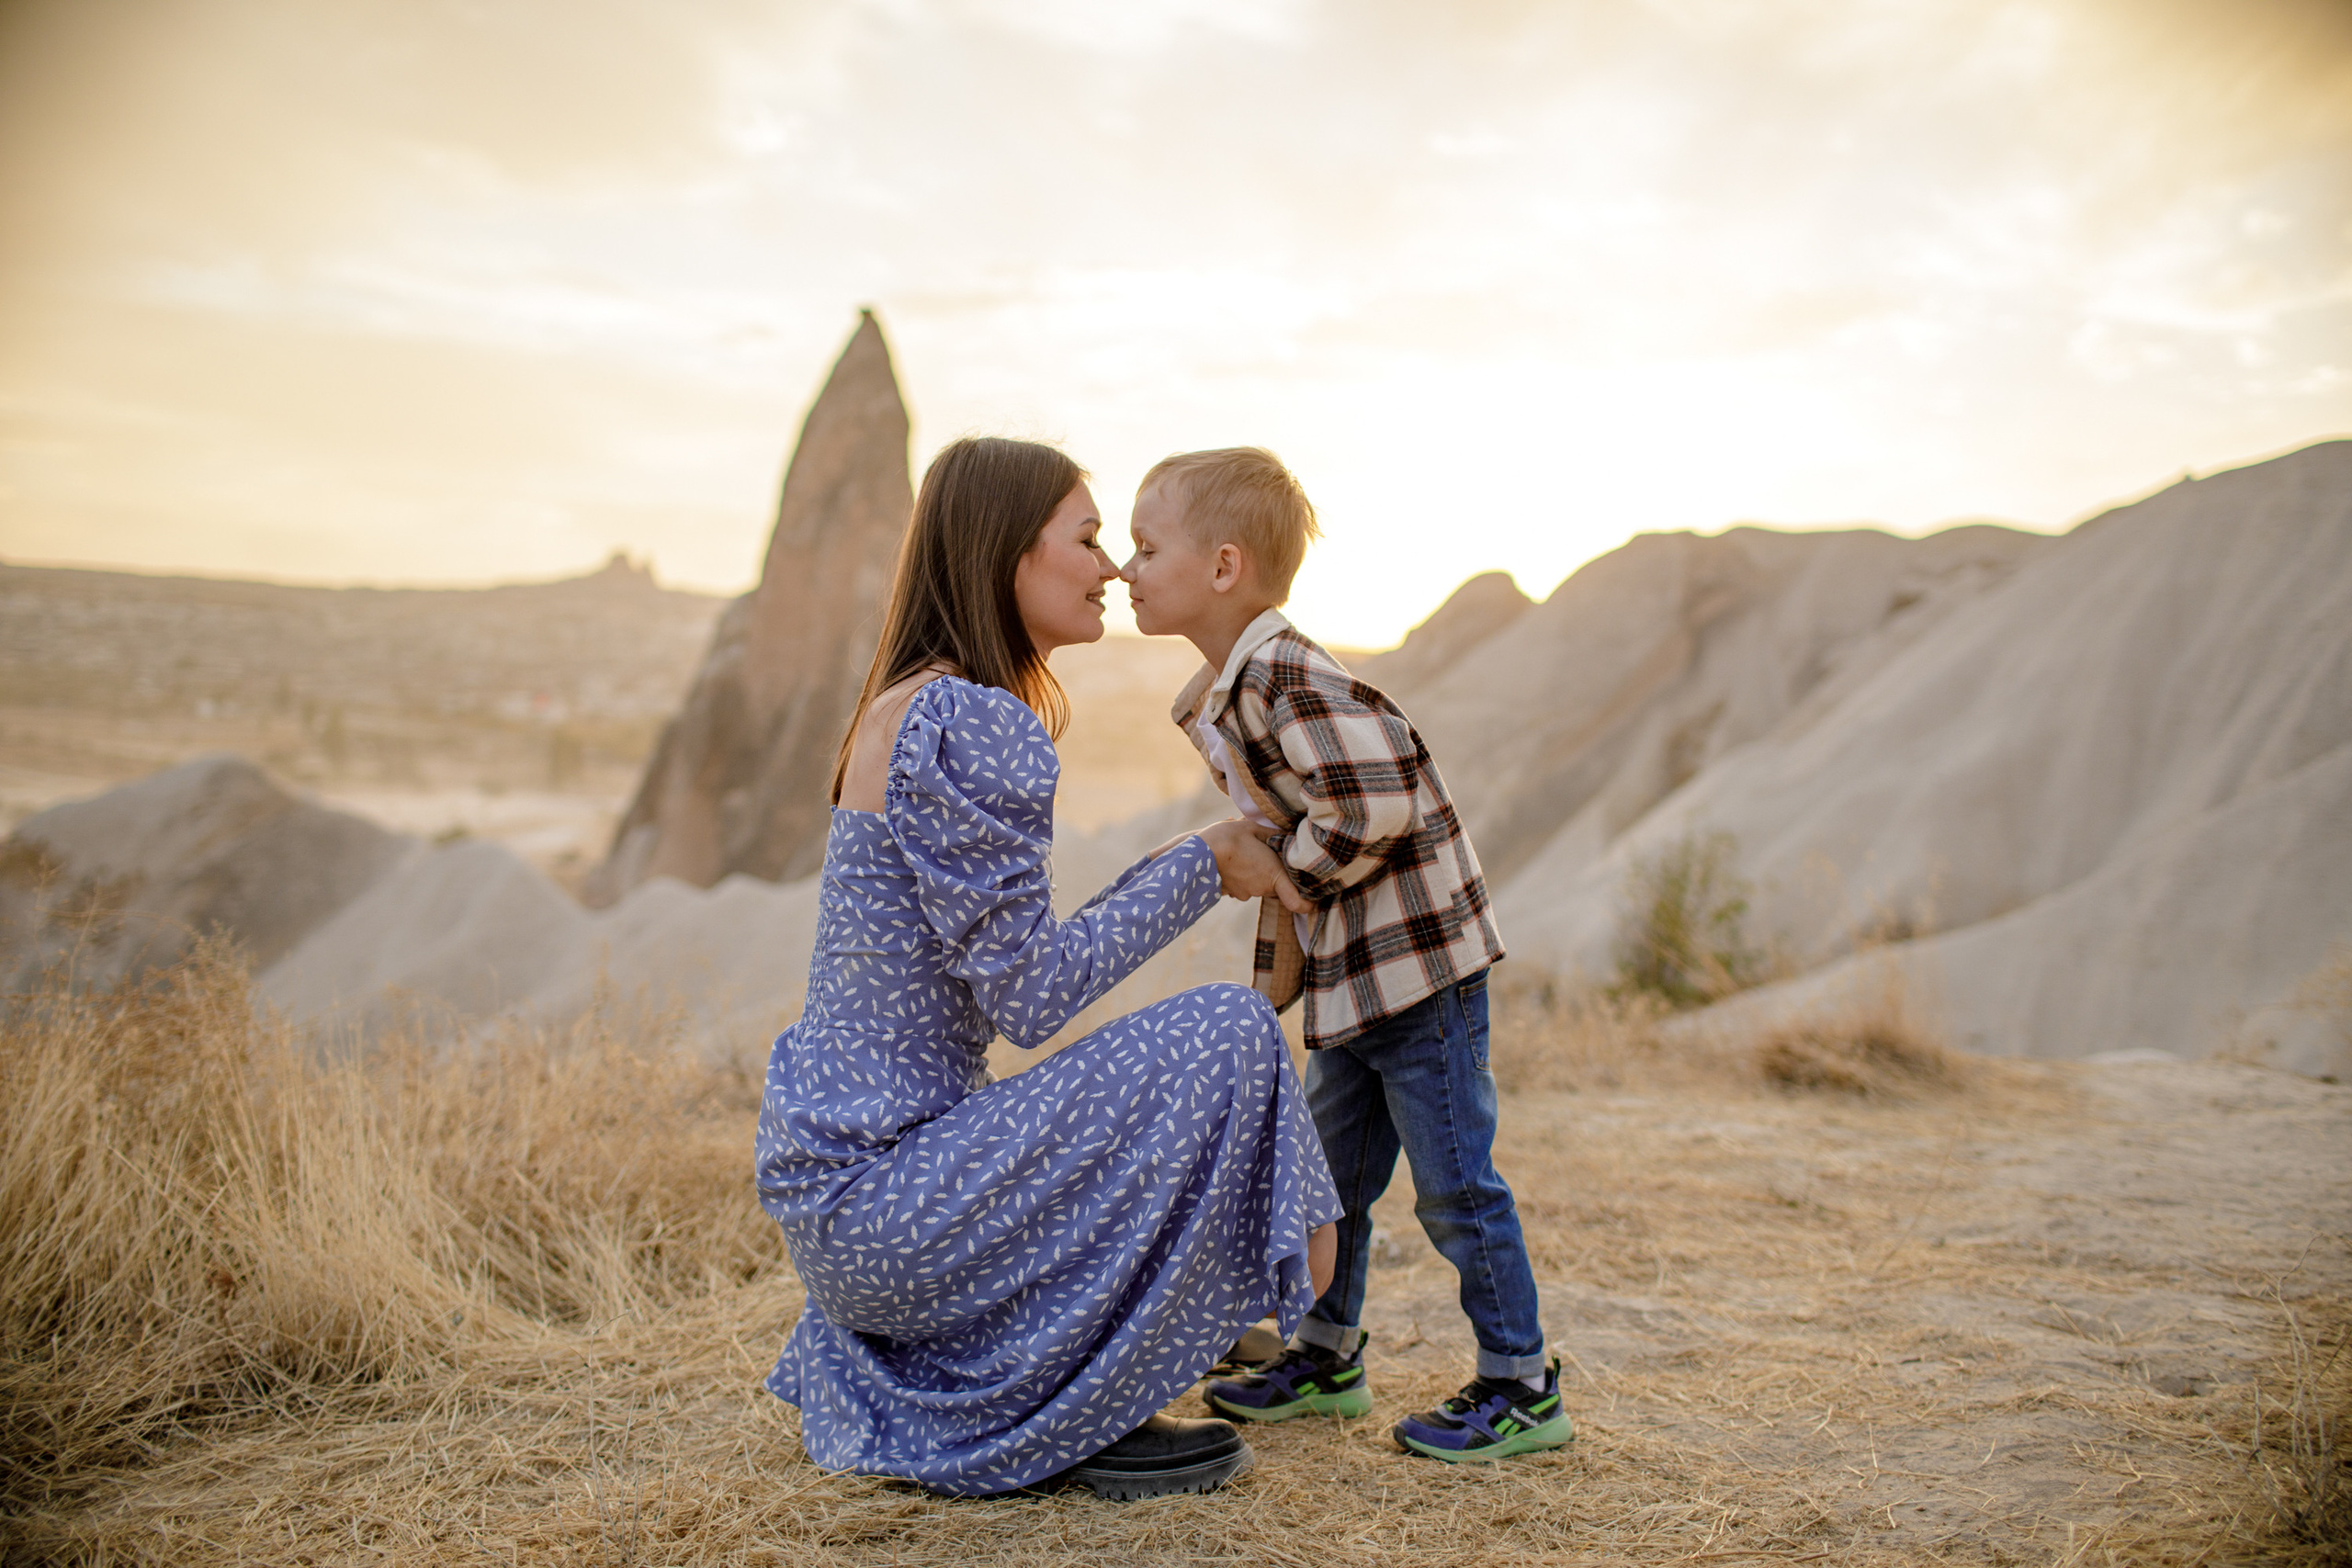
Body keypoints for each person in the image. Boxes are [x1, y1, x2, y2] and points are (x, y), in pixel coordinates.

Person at [753, 435, 1344, 1501]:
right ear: (1003, 554)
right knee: (1227, 1031)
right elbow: (1031, 999)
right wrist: (1202, 864)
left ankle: (1084, 1372)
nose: (1113, 567)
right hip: (894, 1208)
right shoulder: (973, 719)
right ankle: (1083, 1400)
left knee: (1155, 1066)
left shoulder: (907, 702)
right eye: (1084, 539)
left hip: (848, 1214)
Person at [1120, 446, 1570, 1462]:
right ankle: (1327, 1357)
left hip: (1418, 975)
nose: (1127, 570)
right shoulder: (1238, 683)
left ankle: (1522, 1382)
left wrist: (1285, 872)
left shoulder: (1283, 673)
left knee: (1457, 1187)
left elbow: (1374, 797)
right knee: (1329, 1181)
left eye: (1147, 549)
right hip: (1357, 983)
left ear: (1224, 567)